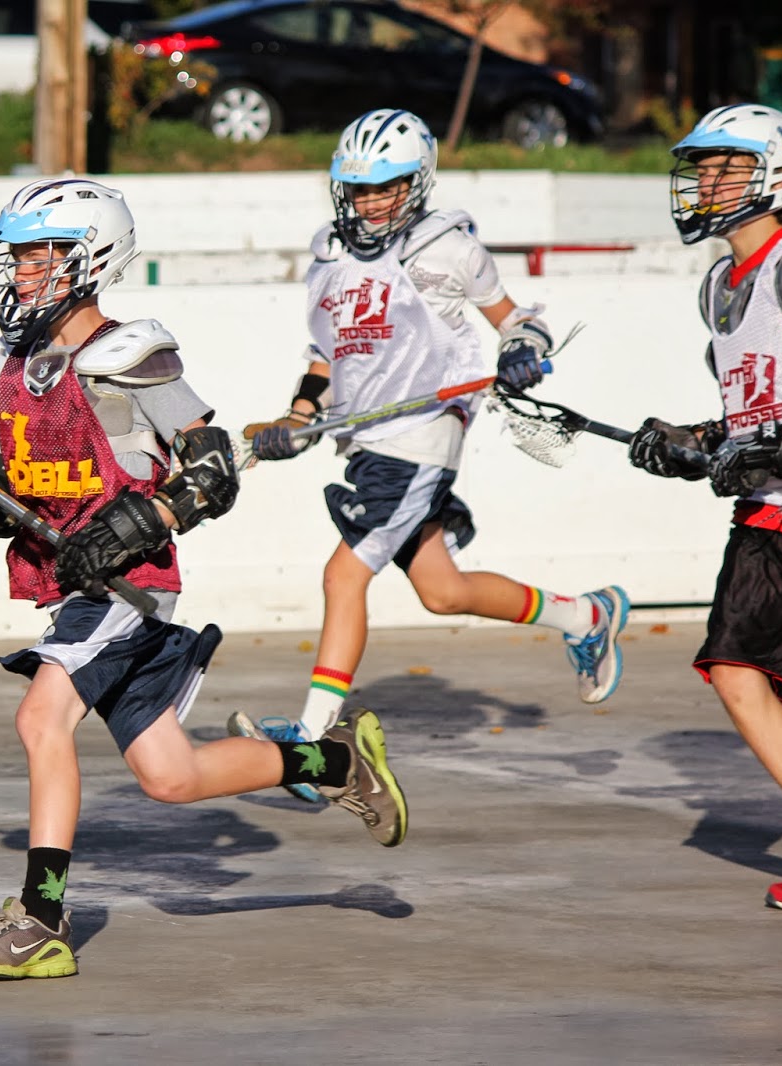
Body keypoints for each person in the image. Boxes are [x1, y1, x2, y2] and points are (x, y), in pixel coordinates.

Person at [0, 177, 408, 981]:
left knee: (42, 719)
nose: (21, 272)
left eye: (40, 255)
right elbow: (18, 507)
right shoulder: (14, 365)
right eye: (19, 255)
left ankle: (40, 918)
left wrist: (138, 522)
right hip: (75, 583)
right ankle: (336, 763)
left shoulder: (131, 355)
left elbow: (211, 472)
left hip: (129, 582)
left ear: (89, 258)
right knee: (171, 776)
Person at [242, 109, 628, 802]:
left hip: (422, 438)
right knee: (442, 591)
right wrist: (297, 418)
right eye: (356, 189)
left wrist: (520, 350)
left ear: (416, 183)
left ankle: (312, 735)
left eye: (384, 188)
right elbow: (326, 355)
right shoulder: (329, 251)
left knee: (343, 577)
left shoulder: (446, 247)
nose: (368, 202)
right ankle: (585, 616)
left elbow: (519, 320)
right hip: (365, 441)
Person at [623, 103, 782, 910]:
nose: (706, 183)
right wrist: (694, 441)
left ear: (776, 175)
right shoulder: (722, 288)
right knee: (736, 670)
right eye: (702, 167)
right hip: (769, 515)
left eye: (728, 167)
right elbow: (750, 413)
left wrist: (778, 446)